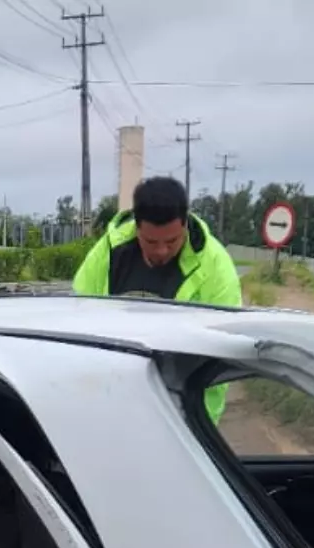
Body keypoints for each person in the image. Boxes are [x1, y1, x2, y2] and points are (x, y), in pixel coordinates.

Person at [73, 176, 242, 423]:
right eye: (151, 242)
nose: (161, 251)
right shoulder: (109, 253)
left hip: (181, 412)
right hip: (113, 403)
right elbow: (77, 322)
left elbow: (221, 356)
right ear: (136, 226)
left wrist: (199, 427)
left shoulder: (215, 268)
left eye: (172, 241)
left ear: (185, 224)